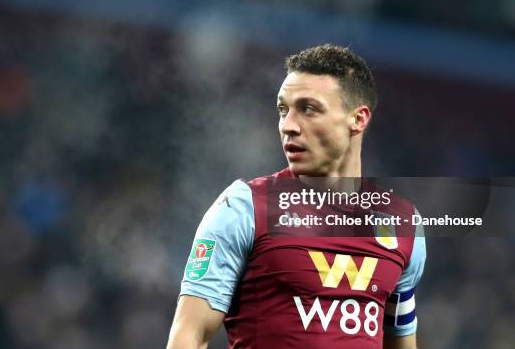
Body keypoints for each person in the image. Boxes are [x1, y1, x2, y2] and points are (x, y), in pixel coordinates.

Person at [166, 44, 426, 349]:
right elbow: (189, 337)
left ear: (357, 119)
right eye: (282, 110)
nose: (288, 126)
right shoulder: (243, 209)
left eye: (308, 109)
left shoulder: (402, 224)